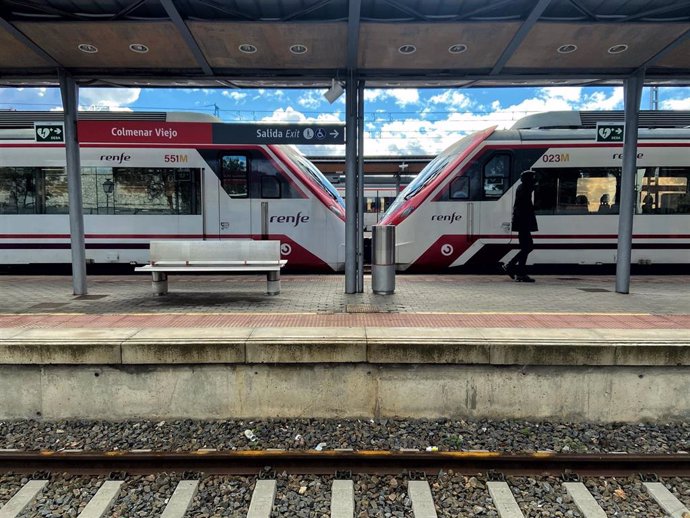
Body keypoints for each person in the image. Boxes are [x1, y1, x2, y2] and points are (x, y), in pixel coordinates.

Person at [501, 170, 538, 282]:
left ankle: (520, 273)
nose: (534, 181)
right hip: (523, 224)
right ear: (528, 180)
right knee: (528, 247)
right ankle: (510, 265)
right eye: (533, 179)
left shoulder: (523, 188)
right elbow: (524, 208)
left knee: (526, 247)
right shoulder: (524, 190)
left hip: (522, 223)